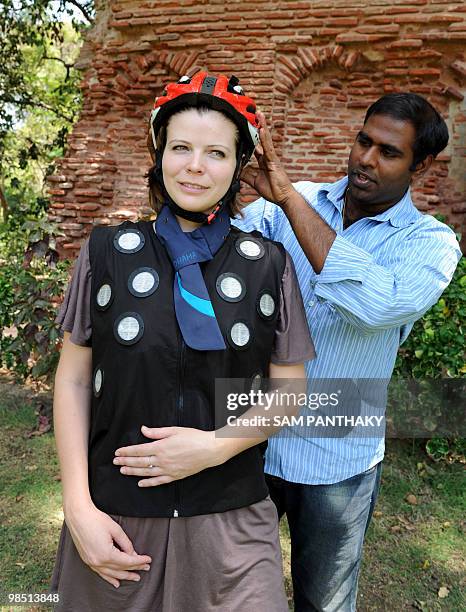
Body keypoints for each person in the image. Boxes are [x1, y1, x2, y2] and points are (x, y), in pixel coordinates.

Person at [50, 71, 315, 612]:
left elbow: (291, 391)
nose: (195, 166)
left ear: (239, 165)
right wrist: (78, 507)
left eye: (216, 152)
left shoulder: (269, 265)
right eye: (181, 148)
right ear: (159, 152)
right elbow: (75, 378)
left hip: (232, 524)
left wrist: (212, 447)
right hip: (117, 520)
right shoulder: (105, 253)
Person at [232, 93, 462, 611]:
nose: (366, 158)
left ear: (420, 166)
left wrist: (290, 200)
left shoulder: (431, 243)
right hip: (251, 435)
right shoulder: (292, 199)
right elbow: (223, 257)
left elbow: (374, 305)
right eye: (364, 140)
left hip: (338, 456)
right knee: (232, 590)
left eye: (388, 151)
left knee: (324, 603)